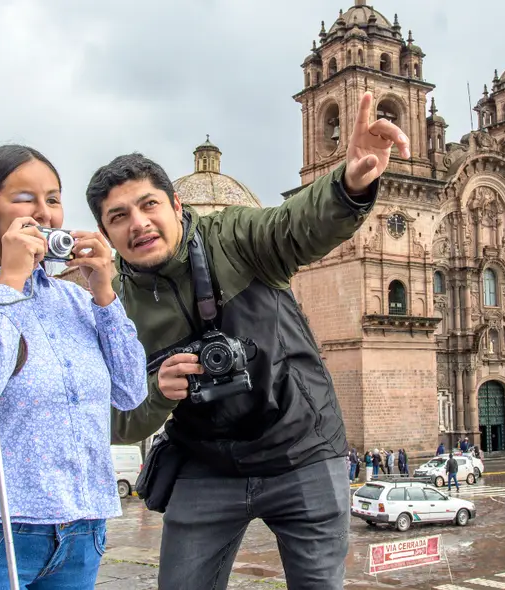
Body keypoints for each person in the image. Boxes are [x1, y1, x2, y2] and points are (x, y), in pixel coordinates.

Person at [90, 91, 410, 589]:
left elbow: (296, 225)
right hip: (205, 462)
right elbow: (116, 421)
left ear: (177, 205)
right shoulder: (114, 308)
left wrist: (348, 184)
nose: (139, 224)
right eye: (118, 217)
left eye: (149, 204)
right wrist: (158, 391)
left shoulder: (234, 235)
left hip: (302, 448)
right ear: (106, 233)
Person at [0, 145, 149, 589]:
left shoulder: (76, 300)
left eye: (53, 199)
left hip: (81, 529)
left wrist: (105, 295)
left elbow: (131, 391)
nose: (45, 213)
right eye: (24, 198)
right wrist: (9, 282)